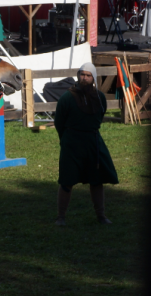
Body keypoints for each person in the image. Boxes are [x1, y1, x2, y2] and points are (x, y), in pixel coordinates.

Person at [53, 62, 119, 226]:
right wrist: (66, 139)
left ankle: (101, 216)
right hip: (72, 142)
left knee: (97, 180)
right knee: (67, 180)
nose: (84, 78)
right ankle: (61, 217)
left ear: (93, 78)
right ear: (78, 76)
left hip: (92, 142)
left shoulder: (100, 98)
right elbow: (59, 122)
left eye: (88, 75)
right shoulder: (67, 98)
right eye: (82, 74)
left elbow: (100, 116)